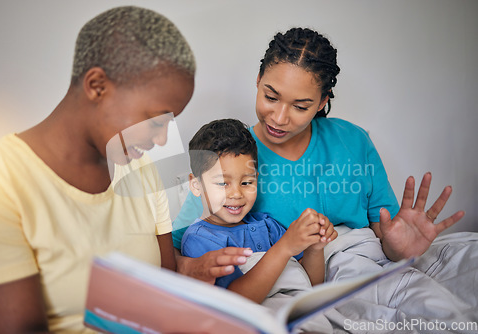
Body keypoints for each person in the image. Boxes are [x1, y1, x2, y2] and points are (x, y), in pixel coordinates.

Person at [173, 27, 478, 329]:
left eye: (301, 106)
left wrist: (398, 249)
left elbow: (385, 239)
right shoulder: (232, 158)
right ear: (258, 81)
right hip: (300, 282)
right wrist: (190, 267)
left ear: (321, 102)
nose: (279, 118)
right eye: (270, 96)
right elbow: (182, 252)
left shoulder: (354, 141)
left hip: (361, 261)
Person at [0, 6, 249, 333]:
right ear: (96, 86)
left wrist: (192, 271)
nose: (162, 138)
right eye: (155, 120)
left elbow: (161, 279)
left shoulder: (142, 169)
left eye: (170, 123)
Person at [181, 118, 338, 304]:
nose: (236, 194)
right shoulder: (199, 240)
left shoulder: (266, 224)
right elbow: (237, 302)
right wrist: (284, 248)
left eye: (247, 182)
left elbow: (310, 284)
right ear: (196, 184)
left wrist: (314, 248)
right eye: (223, 183)